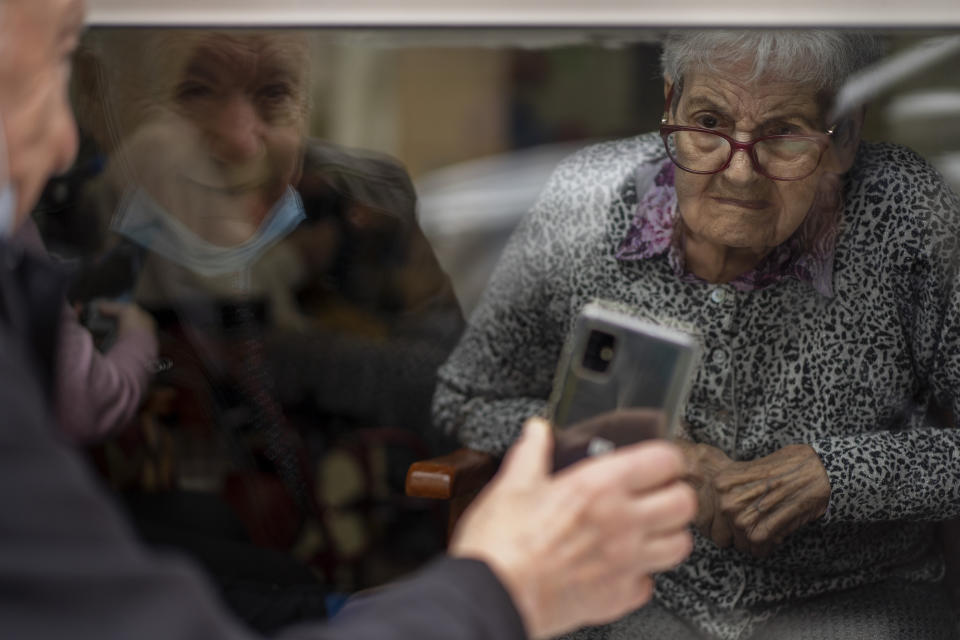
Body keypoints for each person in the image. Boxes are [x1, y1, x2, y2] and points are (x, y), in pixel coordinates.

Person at [0, 1, 697, 638]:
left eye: (275, 94)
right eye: (193, 92)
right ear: (101, 100)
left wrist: (290, 350)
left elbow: (445, 390)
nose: (244, 138)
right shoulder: (53, 248)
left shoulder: (360, 208)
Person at [434, 30, 960, 639]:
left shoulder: (905, 213)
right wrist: (639, 449)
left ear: (840, 137)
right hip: (634, 588)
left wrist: (840, 474)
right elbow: (471, 399)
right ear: (671, 104)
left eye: (784, 133)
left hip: (852, 597)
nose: (739, 173)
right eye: (708, 122)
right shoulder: (586, 200)